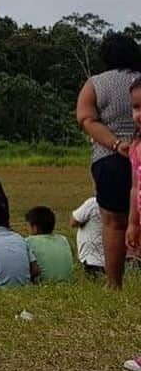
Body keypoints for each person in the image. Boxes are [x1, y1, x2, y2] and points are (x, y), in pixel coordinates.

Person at [75, 32, 141, 289]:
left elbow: (86, 119)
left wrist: (115, 143)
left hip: (109, 158)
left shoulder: (95, 83)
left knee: (113, 223)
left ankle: (113, 283)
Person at [24, 205, 75, 283]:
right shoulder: (63, 239)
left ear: (35, 228)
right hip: (69, 283)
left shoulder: (28, 241)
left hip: (44, 285)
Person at [70, 196, 105, 278]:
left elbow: (73, 221)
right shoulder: (123, 204)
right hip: (114, 259)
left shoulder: (93, 203)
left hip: (92, 259)